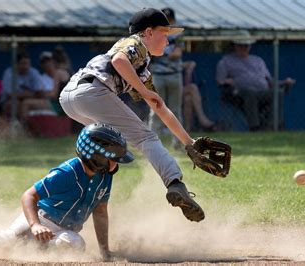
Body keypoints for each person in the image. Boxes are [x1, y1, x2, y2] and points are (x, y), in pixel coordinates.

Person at [59, 8, 205, 222]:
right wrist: (144, 91)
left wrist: (188, 142)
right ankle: (175, 183)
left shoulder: (141, 68)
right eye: (164, 34)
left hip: (70, 99)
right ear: (148, 32)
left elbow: (159, 107)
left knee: (109, 148)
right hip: (93, 93)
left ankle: (71, 202)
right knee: (147, 138)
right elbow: (119, 60)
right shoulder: (136, 43)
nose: (167, 41)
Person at [0, 123, 134, 260]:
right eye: (114, 159)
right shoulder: (67, 172)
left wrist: (105, 251)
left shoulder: (105, 177)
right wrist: (35, 225)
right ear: (97, 157)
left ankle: (38, 249)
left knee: (75, 244)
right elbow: (29, 195)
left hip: (63, 233)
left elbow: (100, 212)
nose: (117, 164)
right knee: (5, 242)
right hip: (40, 219)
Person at [216, 30, 295, 131]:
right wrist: (228, 82)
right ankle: (255, 127)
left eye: (246, 45)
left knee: (277, 93)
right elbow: (220, 81)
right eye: (241, 45)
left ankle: (272, 126)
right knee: (250, 93)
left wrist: (284, 82)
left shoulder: (257, 60)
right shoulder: (226, 61)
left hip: (262, 91)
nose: (244, 48)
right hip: (238, 93)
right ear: (235, 45)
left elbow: (269, 80)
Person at [149, 7, 183, 147]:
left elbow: (177, 53)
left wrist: (162, 53)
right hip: (158, 76)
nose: (168, 22)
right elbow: (151, 53)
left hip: (174, 75)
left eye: (170, 20)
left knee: (175, 110)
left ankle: (179, 143)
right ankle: (151, 143)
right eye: (165, 19)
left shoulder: (176, 35)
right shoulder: (152, 33)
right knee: (156, 109)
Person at [1, 51, 49, 121]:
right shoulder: (9, 73)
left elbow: (39, 94)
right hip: (10, 101)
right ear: (16, 64)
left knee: (26, 103)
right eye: (23, 64)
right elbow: (10, 95)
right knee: (17, 104)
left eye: (28, 64)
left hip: (31, 101)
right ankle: (18, 127)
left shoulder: (34, 72)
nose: (26, 66)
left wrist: (22, 95)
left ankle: (25, 128)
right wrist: (30, 94)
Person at [182, 60, 215, 132]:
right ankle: (202, 118)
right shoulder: (160, 59)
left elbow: (192, 63)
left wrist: (189, 70)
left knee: (188, 99)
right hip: (167, 91)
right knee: (193, 87)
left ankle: (187, 130)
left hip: (180, 92)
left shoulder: (176, 60)